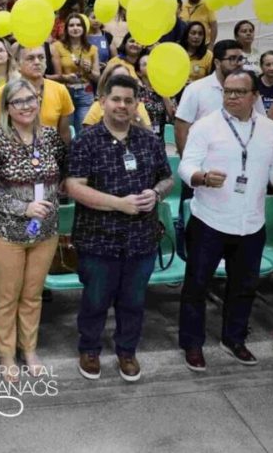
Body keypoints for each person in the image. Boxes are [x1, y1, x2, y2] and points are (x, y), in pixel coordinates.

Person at [177, 70, 273, 371]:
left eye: (239, 92)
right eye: (227, 91)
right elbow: (186, 165)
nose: (231, 97)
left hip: (250, 223)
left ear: (254, 96)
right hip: (210, 221)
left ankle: (234, 339)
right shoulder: (205, 126)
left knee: (244, 286)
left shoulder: (268, 128)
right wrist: (200, 177)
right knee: (197, 286)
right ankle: (192, 343)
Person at [67, 74, 173, 382]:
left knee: (134, 301)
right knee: (96, 299)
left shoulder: (149, 141)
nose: (122, 106)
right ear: (102, 102)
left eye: (129, 100)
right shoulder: (86, 141)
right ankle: (89, 349)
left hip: (142, 239)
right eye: (116, 99)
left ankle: (127, 351)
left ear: (137, 103)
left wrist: (156, 193)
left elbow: (167, 179)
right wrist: (119, 204)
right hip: (98, 241)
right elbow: (73, 187)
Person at [0, 79, 68, 381]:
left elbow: (62, 176)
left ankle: (29, 349)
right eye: (18, 102)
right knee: (6, 296)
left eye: (31, 99)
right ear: (7, 109)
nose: (26, 106)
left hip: (45, 233)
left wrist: (51, 201)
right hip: (6, 234)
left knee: (32, 295)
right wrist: (23, 208)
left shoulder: (51, 138)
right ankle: (6, 355)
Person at [174, 39, 265, 155]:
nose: (238, 63)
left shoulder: (250, 89)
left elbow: (261, 121)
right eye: (232, 59)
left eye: (241, 59)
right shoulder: (196, 89)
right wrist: (189, 165)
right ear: (217, 63)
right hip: (206, 163)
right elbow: (181, 128)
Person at [0, 45, 74, 144]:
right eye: (30, 58)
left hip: (50, 154)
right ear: (18, 64)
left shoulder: (60, 90)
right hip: (12, 154)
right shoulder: (0, 94)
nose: (37, 62)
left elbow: (64, 133)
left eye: (41, 57)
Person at [51, 13, 100, 133]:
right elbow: (57, 76)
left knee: (83, 132)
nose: (75, 28)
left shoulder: (92, 49)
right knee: (66, 131)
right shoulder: (57, 46)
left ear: (84, 28)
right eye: (71, 25)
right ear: (66, 29)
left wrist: (88, 70)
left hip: (85, 93)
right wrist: (66, 78)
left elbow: (97, 77)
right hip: (65, 92)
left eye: (78, 25)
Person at [81, 64, 152, 130]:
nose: (122, 83)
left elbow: (150, 137)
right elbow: (86, 136)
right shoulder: (97, 106)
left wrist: (137, 117)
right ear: (106, 82)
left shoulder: (138, 106)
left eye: (126, 79)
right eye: (117, 79)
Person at [135, 52, 178, 137]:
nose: (150, 66)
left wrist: (163, 93)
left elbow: (173, 118)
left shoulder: (167, 89)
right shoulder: (136, 91)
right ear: (139, 72)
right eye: (145, 64)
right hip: (139, 137)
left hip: (159, 140)